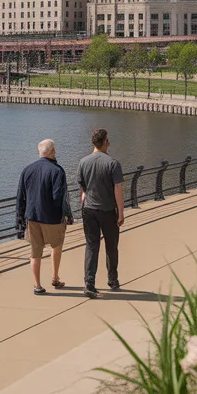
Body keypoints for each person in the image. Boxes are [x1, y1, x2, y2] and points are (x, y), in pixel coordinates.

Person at [16, 139, 74, 295]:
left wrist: (22, 216)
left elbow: (21, 196)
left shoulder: (27, 170)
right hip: (51, 217)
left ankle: (37, 285)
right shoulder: (57, 171)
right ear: (53, 151)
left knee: (35, 252)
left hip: (32, 216)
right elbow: (58, 197)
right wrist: (65, 215)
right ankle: (55, 277)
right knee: (57, 245)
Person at [77, 128, 125, 299]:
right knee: (111, 246)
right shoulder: (113, 163)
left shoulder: (83, 162)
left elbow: (82, 187)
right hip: (107, 210)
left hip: (89, 210)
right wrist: (121, 212)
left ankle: (89, 283)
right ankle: (112, 279)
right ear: (105, 142)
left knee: (91, 245)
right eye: (108, 140)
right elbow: (117, 189)